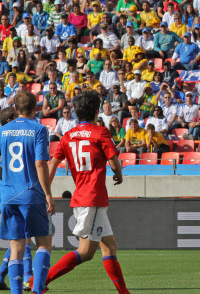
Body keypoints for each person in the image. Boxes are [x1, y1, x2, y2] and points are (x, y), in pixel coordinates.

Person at [46, 91, 130, 294]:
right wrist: (118, 173)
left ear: (75, 111)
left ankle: (124, 292)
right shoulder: (100, 132)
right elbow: (114, 161)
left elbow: (53, 164)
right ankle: (38, 281)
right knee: (85, 252)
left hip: (84, 196)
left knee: (109, 247)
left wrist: (46, 191)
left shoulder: (67, 136)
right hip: (91, 197)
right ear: (97, 110)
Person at [0, 91, 55, 294]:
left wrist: (6, 180)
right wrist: (48, 194)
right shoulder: (39, 130)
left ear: (15, 109)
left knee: (16, 247)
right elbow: (40, 163)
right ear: (35, 109)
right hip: (31, 193)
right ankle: (37, 290)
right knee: (44, 243)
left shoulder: (3, 131)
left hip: (7, 195)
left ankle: (16, 292)